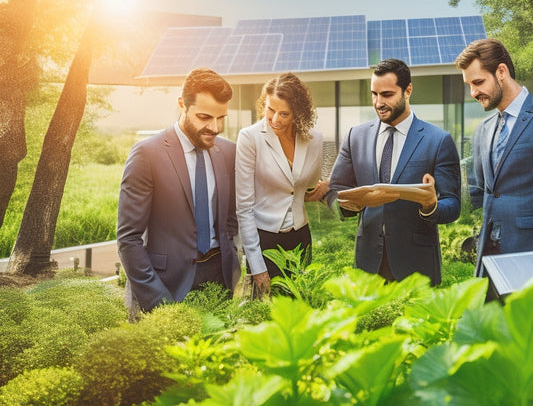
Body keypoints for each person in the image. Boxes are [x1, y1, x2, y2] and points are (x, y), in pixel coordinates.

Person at [117, 68, 240, 315]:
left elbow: (230, 219)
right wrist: (159, 303)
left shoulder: (229, 152)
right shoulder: (146, 154)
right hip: (166, 286)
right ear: (182, 104)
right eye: (204, 117)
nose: (215, 128)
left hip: (219, 282)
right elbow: (129, 239)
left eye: (221, 117)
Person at [328, 58, 461, 285]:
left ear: (408, 90)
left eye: (387, 95)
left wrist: (431, 205)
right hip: (368, 265)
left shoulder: (438, 141)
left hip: (416, 266)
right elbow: (335, 189)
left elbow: (453, 205)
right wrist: (348, 204)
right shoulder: (355, 136)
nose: (378, 102)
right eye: (374, 94)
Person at [236, 72, 329, 297]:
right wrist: (257, 266)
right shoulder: (249, 138)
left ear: (298, 112)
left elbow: (305, 186)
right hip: (264, 239)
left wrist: (320, 188)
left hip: (300, 237)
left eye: (284, 113)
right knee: (265, 314)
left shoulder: (314, 140)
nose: (275, 118)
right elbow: (244, 207)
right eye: (270, 109)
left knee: (299, 309)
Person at [455, 38, 533, 276]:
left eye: (478, 82)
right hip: (488, 257)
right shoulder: (482, 130)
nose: (473, 92)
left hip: (527, 255)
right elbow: (483, 190)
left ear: (501, 71)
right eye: (469, 85)